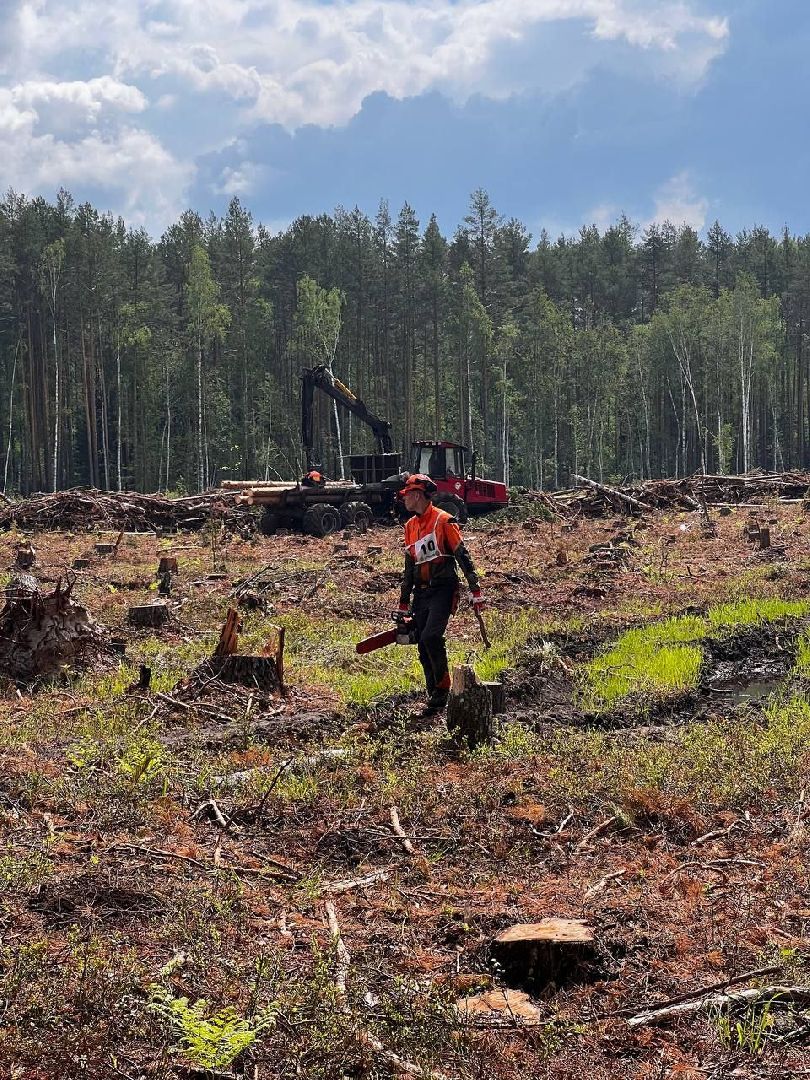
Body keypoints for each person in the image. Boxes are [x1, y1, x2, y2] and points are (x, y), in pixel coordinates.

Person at [396, 474, 485, 713]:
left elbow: (463, 556)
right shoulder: (409, 527)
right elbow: (409, 568)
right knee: (422, 646)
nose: (404, 500)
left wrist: (475, 591)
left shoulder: (443, 521)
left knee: (431, 637)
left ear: (417, 495)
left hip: (443, 589)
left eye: (407, 496)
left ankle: (443, 688)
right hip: (421, 592)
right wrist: (404, 603)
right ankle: (433, 692)